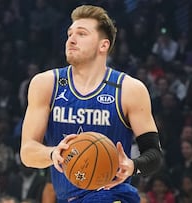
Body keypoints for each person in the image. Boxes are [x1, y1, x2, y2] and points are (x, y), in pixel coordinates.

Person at [20, 5, 163, 203]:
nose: (71, 39)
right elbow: (27, 152)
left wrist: (132, 165)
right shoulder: (46, 84)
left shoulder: (129, 89)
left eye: (82, 34)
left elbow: (154, 154)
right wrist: (53, 153)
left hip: (112, 194)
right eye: (70, 34)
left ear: (103, 45)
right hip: (67, 198)